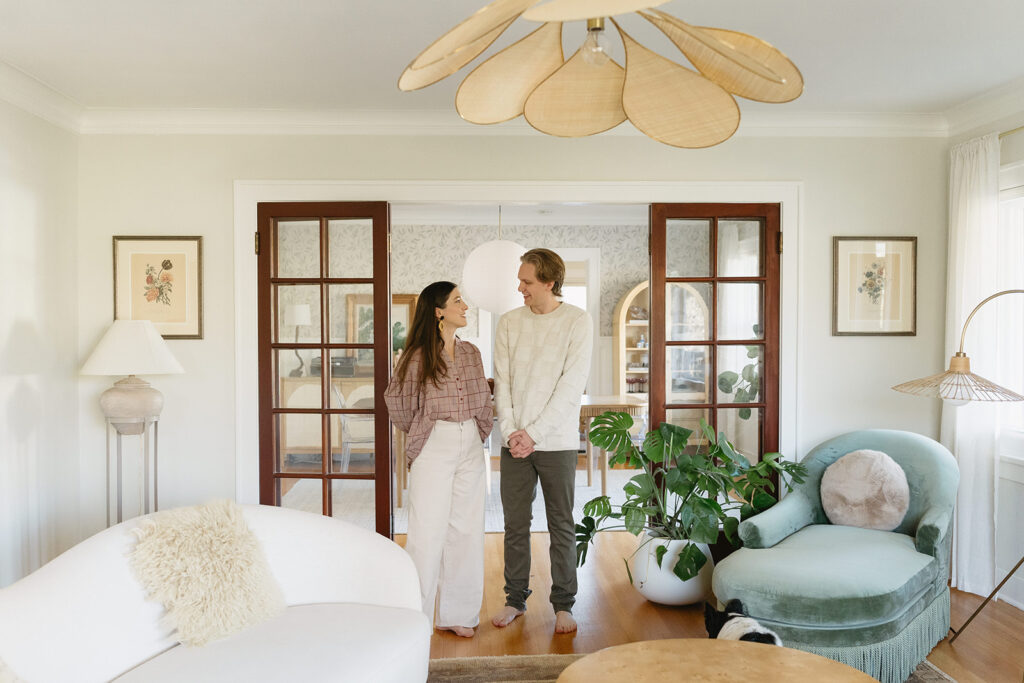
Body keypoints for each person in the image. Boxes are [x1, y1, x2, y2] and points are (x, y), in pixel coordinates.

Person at [491, 248, 594, 634]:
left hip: (557, 443)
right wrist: (512, 434)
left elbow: (570, 389)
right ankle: (514, 600)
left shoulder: (577, 322)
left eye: (527, 282)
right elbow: (504, 384)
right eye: (520, 280)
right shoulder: (509, 323)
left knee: (561, 525)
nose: (520, 288)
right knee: (515, 525)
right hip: (514, 441)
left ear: (550, 282)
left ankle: (564, 605)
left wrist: (532, 434)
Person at [384, 281, 492, 638]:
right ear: (438, 310)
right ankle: (416, 618)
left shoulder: (472, 353)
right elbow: (397, 402)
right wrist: (421, 430)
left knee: (467, 530)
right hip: (434, 442)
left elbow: (483, 398)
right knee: (427, 532)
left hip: (471, 445)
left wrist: (478, 429)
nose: (465, 305)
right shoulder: (416, 356)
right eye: (458, 300)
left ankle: (457, 614)